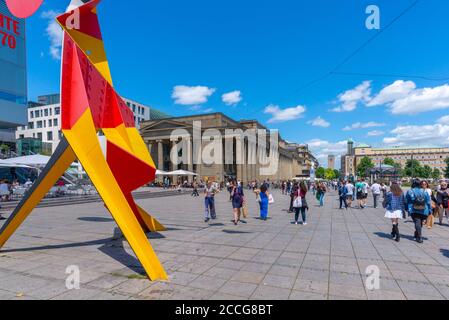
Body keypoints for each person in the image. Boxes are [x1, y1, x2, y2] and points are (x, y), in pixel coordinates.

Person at [405, 179, 431, 243]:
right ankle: (417, 233)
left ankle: (419, 237)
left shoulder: (410, 191)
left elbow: (406, 201)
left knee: (417, 222)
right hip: (424, 209)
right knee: (419, 222)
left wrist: (406, 208)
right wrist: (430, 210)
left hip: (413, 209)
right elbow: (428, 201)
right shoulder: (424, 191)